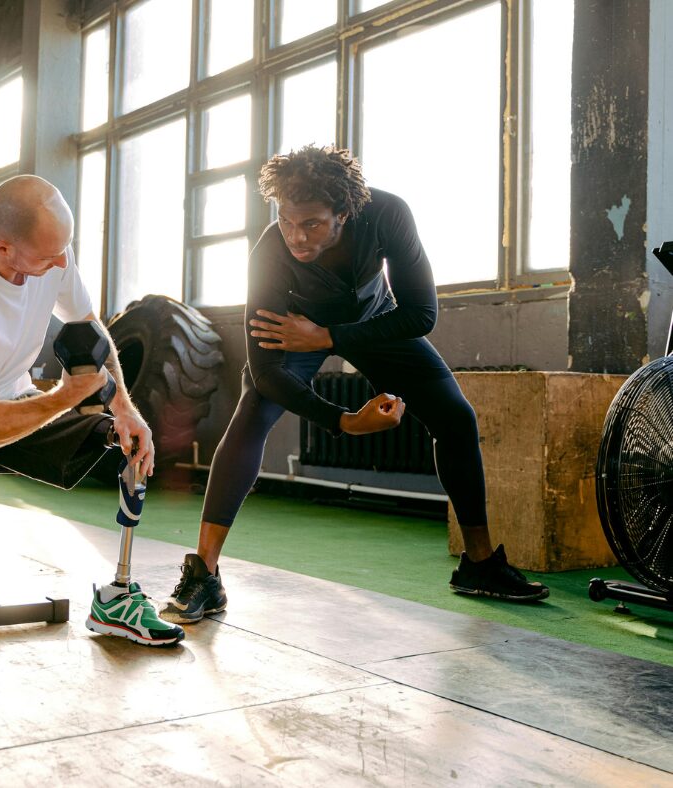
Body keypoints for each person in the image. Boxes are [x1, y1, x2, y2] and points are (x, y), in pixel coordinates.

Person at [160, 144, 549, 624]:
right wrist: (342, 420)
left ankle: (480, 564)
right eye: (286, 221)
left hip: (372, 322)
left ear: (343, 213)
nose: (296, 237)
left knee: (455, 417)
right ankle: (205, 573)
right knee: (251, 413)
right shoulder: (269, 253)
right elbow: (265, 372)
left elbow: (422, 313)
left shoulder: (387, 214)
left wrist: (330, 335)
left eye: (312, 224)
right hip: (295, 333)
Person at [0, 175, 182, 715]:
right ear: (3, 248)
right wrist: (66, 397)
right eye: (48, 257)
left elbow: (89, 325)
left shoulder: (49, 253)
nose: (60, 265)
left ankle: (116, 595)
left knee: (126, 433)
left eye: (63, 252)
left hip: (13, 392)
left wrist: (125, 409)